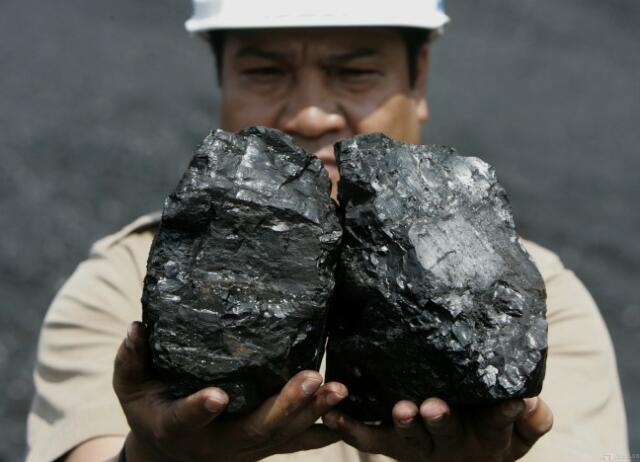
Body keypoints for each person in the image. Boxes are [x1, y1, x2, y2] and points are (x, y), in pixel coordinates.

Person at [27, 1, 630, 461]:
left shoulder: (530, 300)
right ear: (222, 80)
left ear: (418, 78)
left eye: (355, 71)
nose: (311, 114)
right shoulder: (123, 283)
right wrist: (153, 457)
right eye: (265, 71)